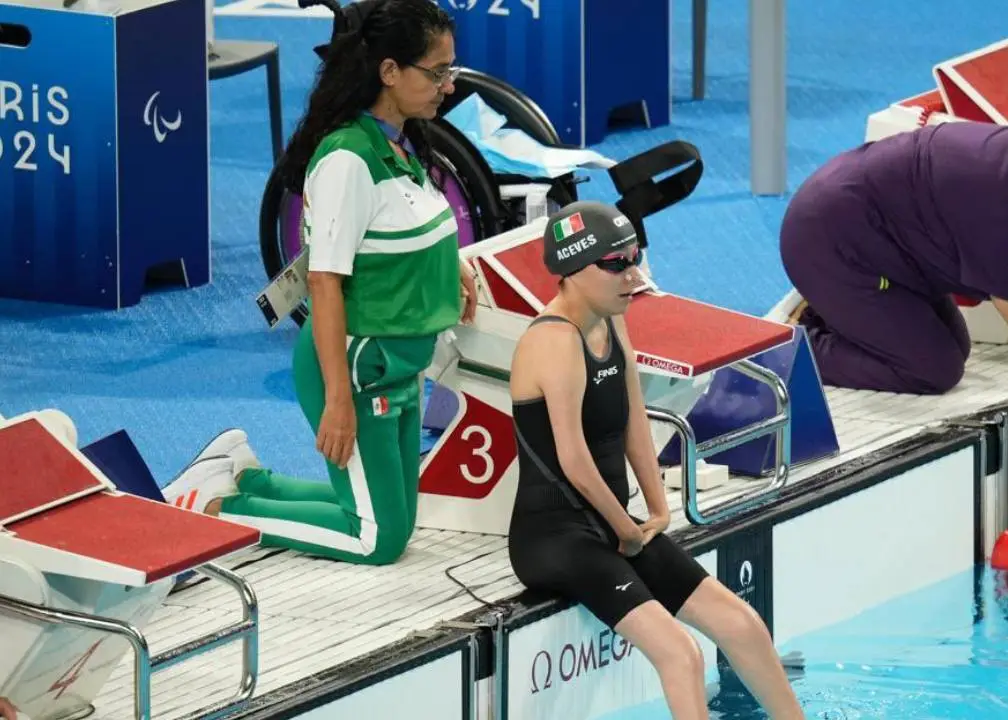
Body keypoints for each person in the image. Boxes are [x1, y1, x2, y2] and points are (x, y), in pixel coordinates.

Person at [163, 0, 477, 566]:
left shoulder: (401, 142)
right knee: (376, 539)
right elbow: (325, 284)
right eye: (436, 72)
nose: (448, 86)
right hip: (358, 368)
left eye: (449, 70)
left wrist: (446, 262)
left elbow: (401, 225)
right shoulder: (346, 160)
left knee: (395, 517)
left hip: (399, 367)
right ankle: (215, 512)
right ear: (389, 71)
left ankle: (249, 480)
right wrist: (338, 402)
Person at [506, 201, 804, 720]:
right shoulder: (553, 340)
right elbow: (574, 459)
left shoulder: (611, 322)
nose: (633, 276)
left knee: (741, 624)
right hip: (554, 538)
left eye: (634, 258)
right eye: (615, 264)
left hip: (612, 526)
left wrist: (657, 507)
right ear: (573, 270)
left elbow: (634, 422)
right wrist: (625, 528)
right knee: (681, 654)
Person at [779, 88, 1008, 451]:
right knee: (932, 368)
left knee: (955, 346)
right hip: (826, 241)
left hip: (889, 243)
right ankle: (791, 347)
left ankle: (833, 309)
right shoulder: (1004, 202)